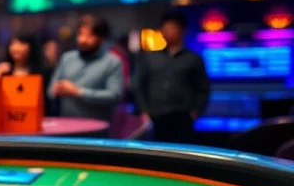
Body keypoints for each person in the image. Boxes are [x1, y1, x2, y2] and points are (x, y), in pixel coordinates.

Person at [133, 11, 210, 144]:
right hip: (154, 116)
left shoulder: (193, 59)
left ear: (183, 30)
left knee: (182, 150)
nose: (168, 32)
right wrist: (143, 110)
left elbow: (203, 89)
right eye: (165, 28)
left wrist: (195, 111)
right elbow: (138, 85)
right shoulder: (150, 57)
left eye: (172, 28)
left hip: (182, 117)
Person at [47, 17, 124, 123]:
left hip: (97, 127)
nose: (82, 40)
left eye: (89, 36)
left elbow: (115, 96)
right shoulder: (67, 58)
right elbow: (50, 91)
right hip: (67, 124)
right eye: (80, 34)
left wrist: (79, 92)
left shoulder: (113, 62)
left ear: (101, 38)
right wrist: (57, 89)